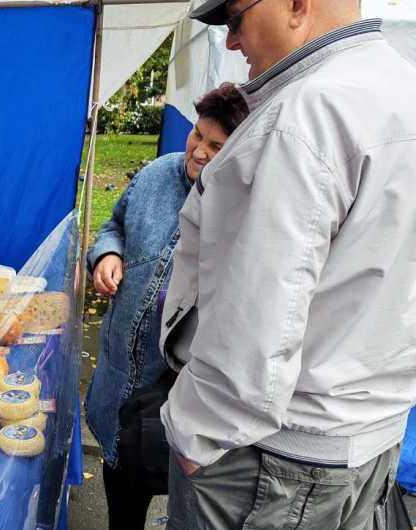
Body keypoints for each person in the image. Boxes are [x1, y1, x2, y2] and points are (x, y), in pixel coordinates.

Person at [160, 1, 416, 528]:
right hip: (369, 436)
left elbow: (255, 312)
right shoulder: (401, 89)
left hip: (271, 457)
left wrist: (195, 437)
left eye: (235, 19)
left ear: (296, 5)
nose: (232, 42)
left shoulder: (306, 114)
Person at [85, 84, 249, 529]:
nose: (198, 151)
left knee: (188, 502)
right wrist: (107, 254)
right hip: (121, 383)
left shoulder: (248, 208)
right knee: (122, 491)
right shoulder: (158, 173)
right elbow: (113, 224)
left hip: (186, 397)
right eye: (197, 135)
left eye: (217, 146)